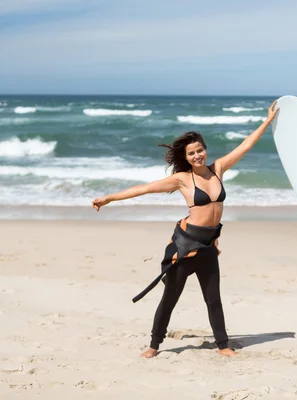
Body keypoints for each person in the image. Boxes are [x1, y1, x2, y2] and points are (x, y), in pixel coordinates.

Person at [91, 101, 279, 358]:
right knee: (170, 297)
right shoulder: (182, 180)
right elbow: (144, 188)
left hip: (208, 247)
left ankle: (222, 345)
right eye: (191, 153)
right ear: (186, 157)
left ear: (205, 149)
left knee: (213, 299)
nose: (197, 156)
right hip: (185, 247)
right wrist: (109, 198)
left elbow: (245, 146)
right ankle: (154, 345)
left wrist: (267, 122)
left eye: (199, 150)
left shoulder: (218, 169)